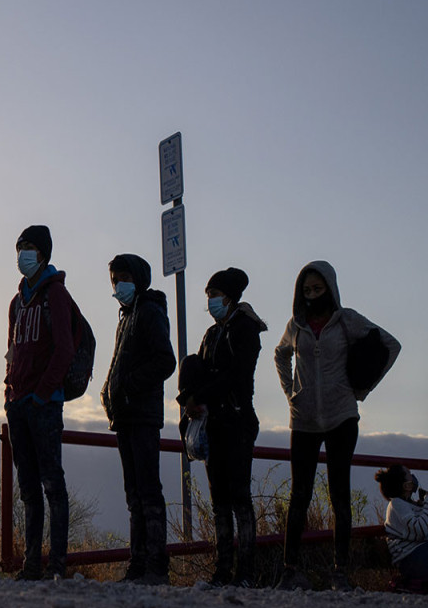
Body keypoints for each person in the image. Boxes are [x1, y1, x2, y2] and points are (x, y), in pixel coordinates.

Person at [275, 261, 400, 590]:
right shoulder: (295, 325)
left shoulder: (347, 321)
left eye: (318, 289)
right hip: (303, 421)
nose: (313, 295)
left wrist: (363, 389)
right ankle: (290, 570)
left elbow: (391, 345)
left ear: (330, 288)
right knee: (299, 496)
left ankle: (339, 572)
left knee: (339, 496)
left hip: (342, 419)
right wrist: (292, 392)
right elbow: (280, 354)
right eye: (307, 290)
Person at [177, 268, 266, 587]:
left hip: (238, 423)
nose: (210, 301)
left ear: (229, 296)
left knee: (239, 498)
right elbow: (199, 370)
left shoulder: (246, 330)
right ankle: (222, 570)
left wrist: (199, 394)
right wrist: (188, 398)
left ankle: (245, 572)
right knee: (219, 504)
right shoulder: (212, 334)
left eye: (213, 295)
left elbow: (236, 376)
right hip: (212, 424)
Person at [5, 225, 75, 581]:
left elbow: (65, 349)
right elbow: (12, 353)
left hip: (44, 406)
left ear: (44, 253)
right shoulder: (17, 303)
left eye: (30, 247)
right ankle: (32, 565)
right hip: (18, 405)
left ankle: (58, 565)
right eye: (20, 247)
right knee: (29, 488)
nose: (23, 254)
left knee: (52, 485)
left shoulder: (56, 295)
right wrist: (9, 395)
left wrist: (43, 394)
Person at [102, 253, 176, 585]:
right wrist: (109, 391)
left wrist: (129, 386)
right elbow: (121, 361)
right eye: (115, 279)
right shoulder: (126, 316)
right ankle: (138, 564)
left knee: (147, 490)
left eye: (124, 277)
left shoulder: (148, 312)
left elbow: (165, 361)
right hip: (126, 415)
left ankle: (156, 566)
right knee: (134, 492)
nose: (119, 284)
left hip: (143, 414)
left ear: (139, 279)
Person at [374, 465, 428, 586]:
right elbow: (421, 530)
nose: (413, 476)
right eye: (409, 473)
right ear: (406, 485)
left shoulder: (408, 504)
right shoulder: (397, 504)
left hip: (417, 554)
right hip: (410, 558)